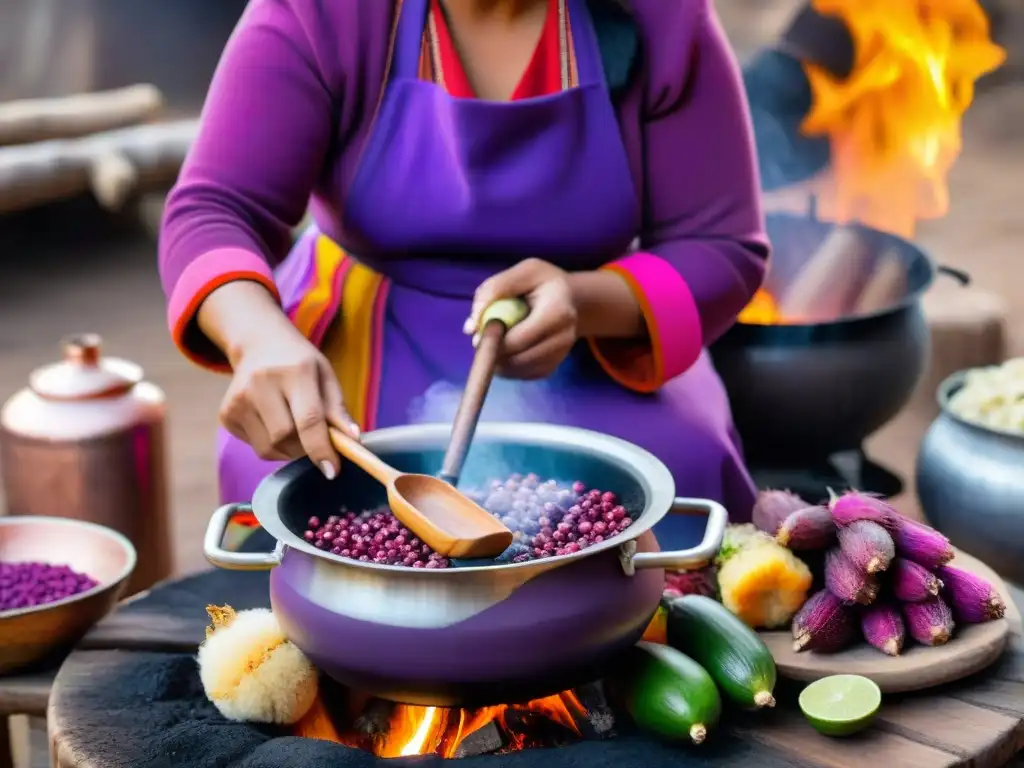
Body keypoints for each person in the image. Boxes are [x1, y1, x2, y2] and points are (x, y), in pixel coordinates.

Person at [158, 0, 769, 520]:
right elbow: (214, 208)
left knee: (680, 467)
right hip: (363, 330)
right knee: (294, 481)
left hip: (593, 339)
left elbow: (721, 246)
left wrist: (581, 303)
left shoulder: (664, 18)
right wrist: (260, 342)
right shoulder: (326, 12)